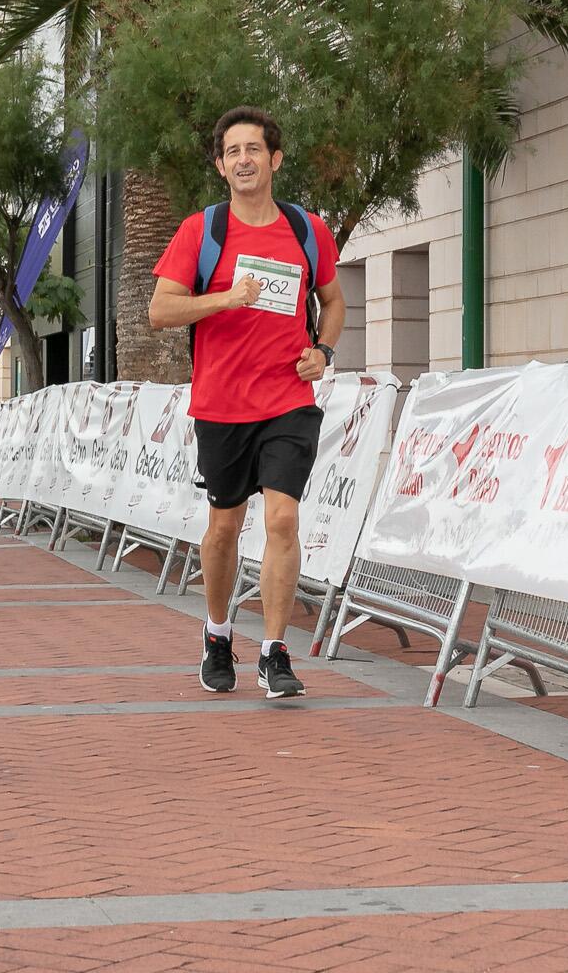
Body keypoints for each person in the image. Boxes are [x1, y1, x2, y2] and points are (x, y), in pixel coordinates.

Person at [148, 106, 346, 700]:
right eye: (233, 152)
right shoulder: (200, 232)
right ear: (220, 164)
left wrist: (324, 350)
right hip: (222, 404)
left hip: (288, 398)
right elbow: (161, 310)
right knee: (224, 527)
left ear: (275, 159)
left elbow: (333, 302)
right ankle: (216, 633)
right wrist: (226, 299)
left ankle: (275, 651)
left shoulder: (308, 230)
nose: (243, 160)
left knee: (283, 519)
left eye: (253, 149)